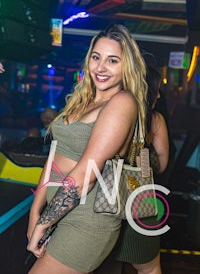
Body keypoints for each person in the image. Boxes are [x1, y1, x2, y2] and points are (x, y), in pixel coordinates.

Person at [26, 24, 148, 274]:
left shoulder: (122, 102)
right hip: (58, 215)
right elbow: (54, 158)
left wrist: (44, 222)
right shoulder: (83, 100)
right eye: (96, 57)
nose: (101, 68)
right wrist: (35, 212)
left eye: (112, 60)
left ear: (127, 66)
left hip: (86, 223)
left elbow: (86, 176)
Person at [110, 66, 169, 274]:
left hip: (108, 200)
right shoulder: (155, 120)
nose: (160, 94)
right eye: (157, 88)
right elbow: (162, 164)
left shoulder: (111, 112)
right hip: (141, 204)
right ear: (149, 90)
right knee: (150, 268)